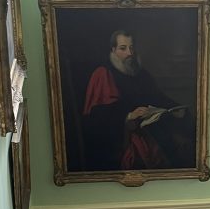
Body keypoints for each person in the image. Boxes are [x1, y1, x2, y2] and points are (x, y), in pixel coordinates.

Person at [81, 30, 195, 171]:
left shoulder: (140, 73)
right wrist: (129, 116)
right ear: (113, 50)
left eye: (132, 48)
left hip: (150, 128)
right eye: (123, 48)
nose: (130, 53)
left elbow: (158, 98)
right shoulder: (103, 73)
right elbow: (99, 116)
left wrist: (176, 109)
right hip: (121, 139)